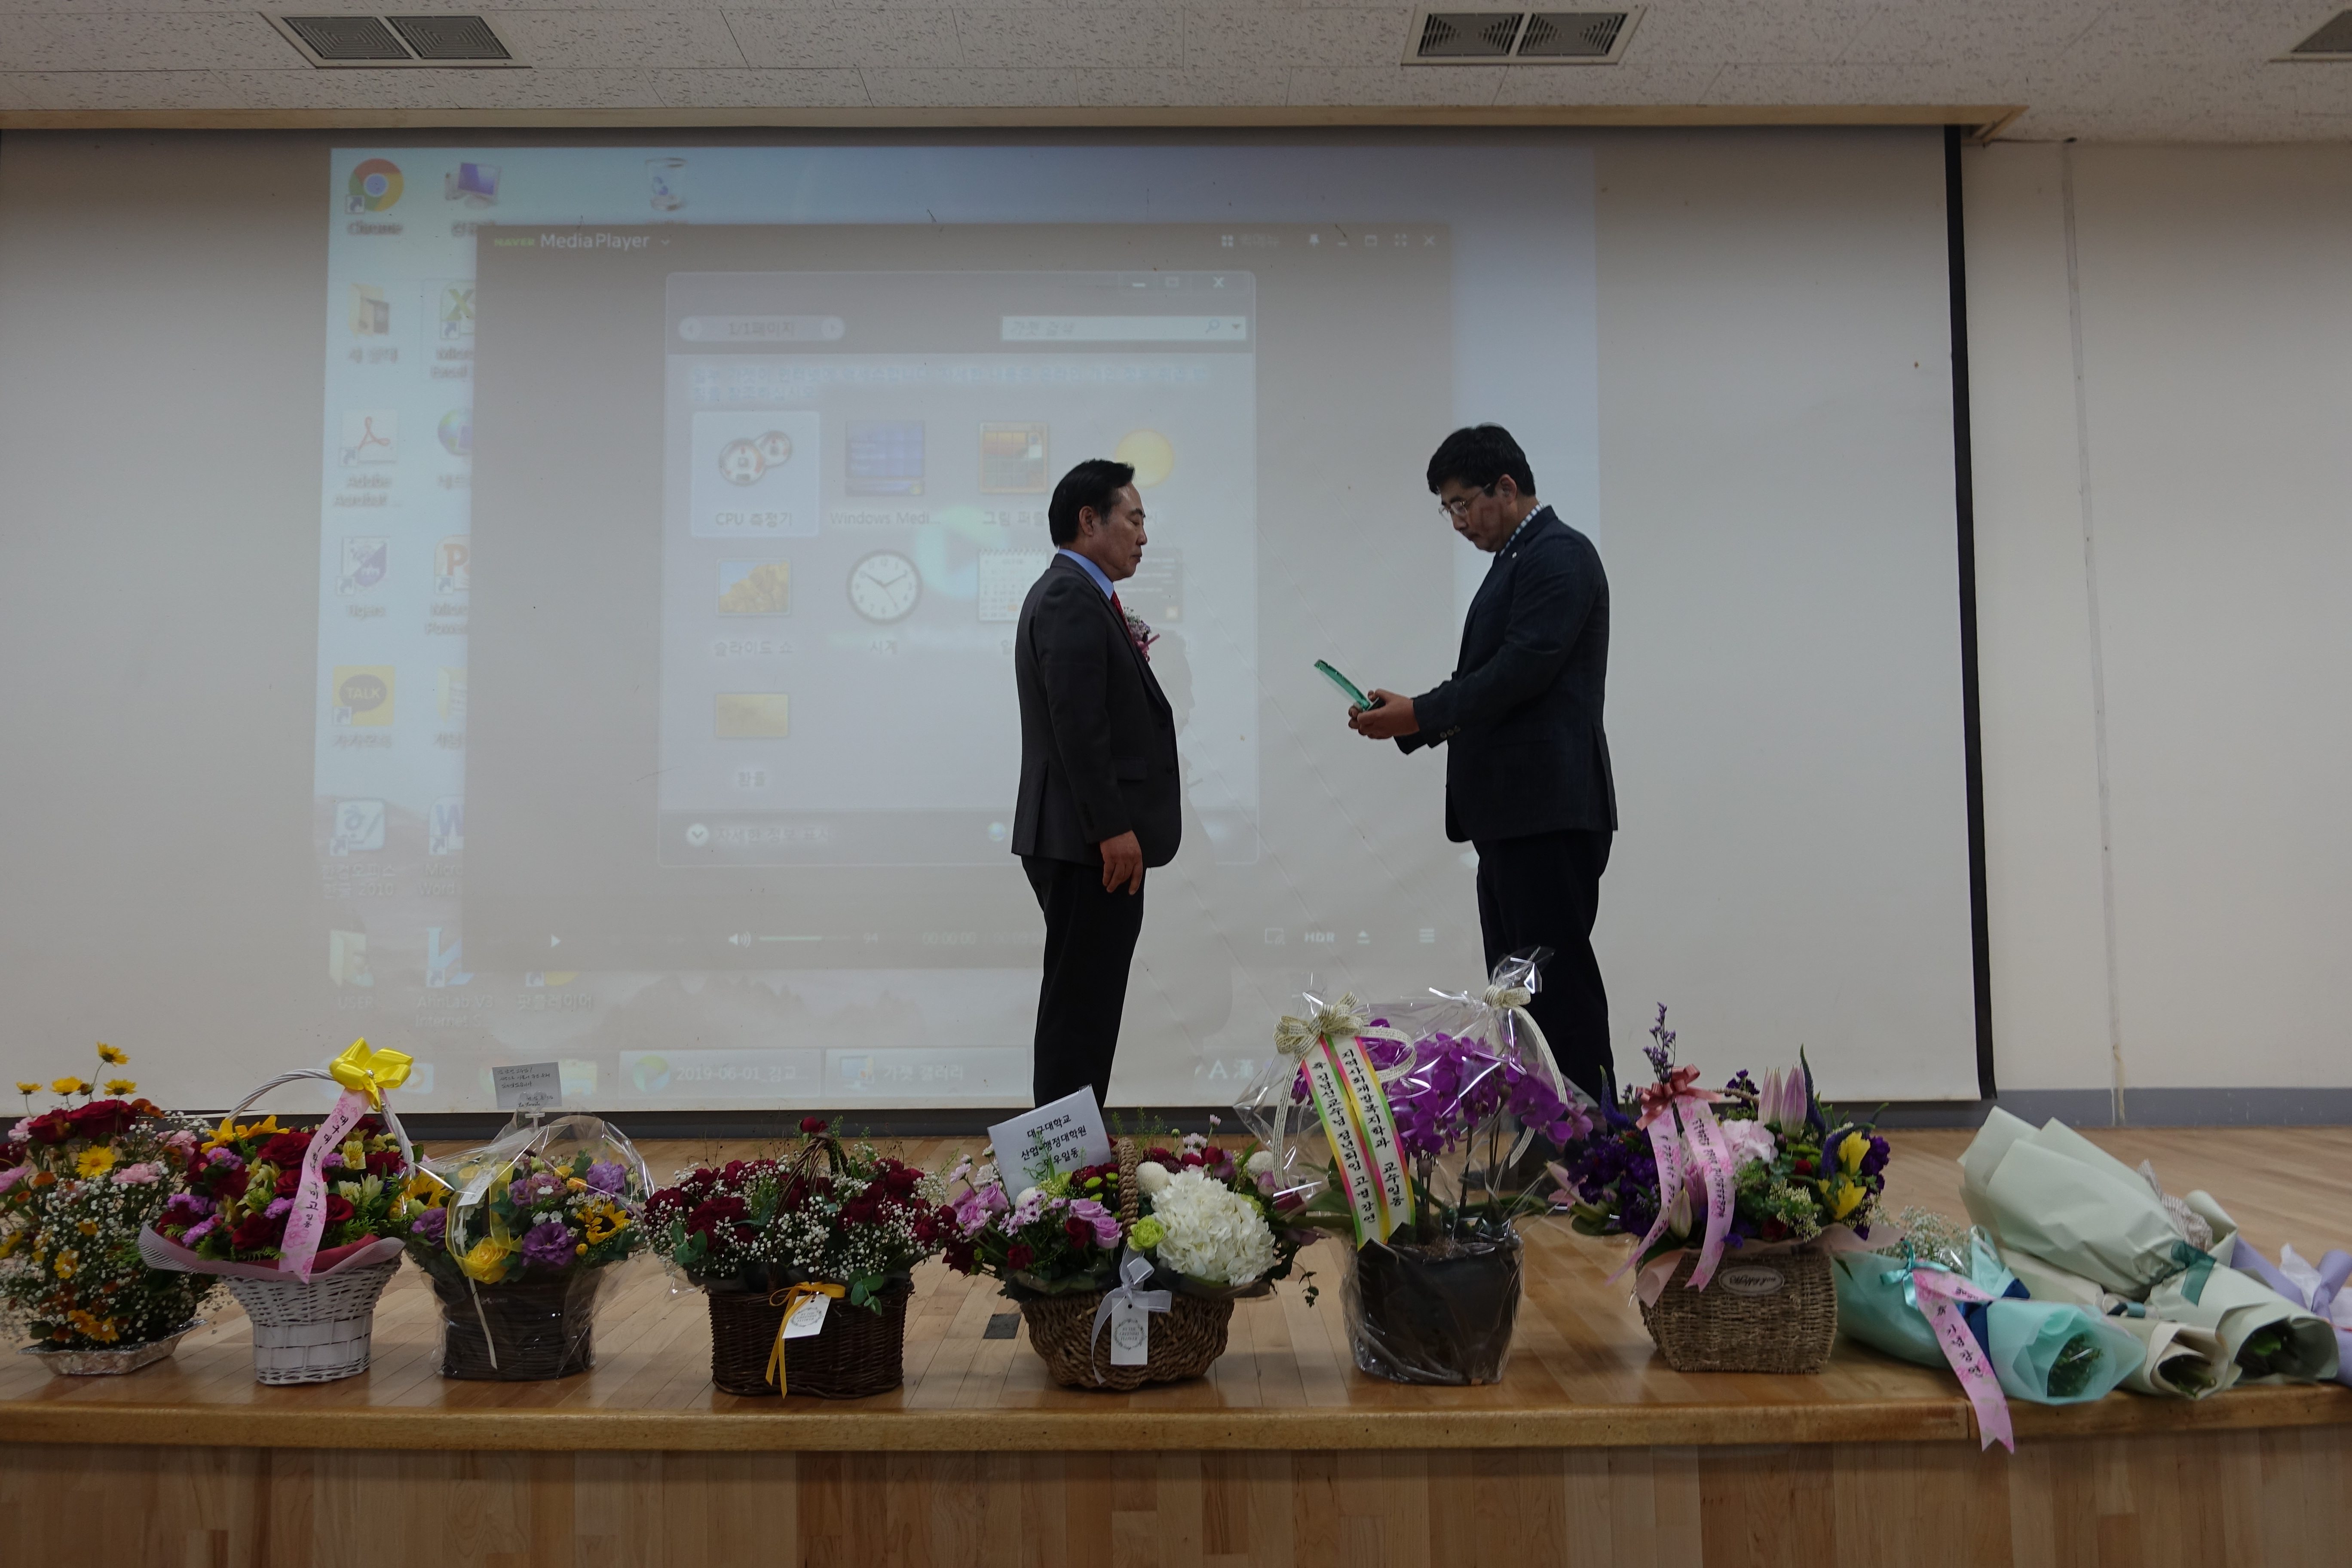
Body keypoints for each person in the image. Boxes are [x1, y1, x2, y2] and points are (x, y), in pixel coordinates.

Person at [1346, 425, 1617, 1103]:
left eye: (1463, 504)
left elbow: (1521, 671)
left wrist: (1420, 715)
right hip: (1514, 815)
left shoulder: (1559, 554)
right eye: (1448, 509)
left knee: (1556, 986)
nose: (1459, 522)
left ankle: (1592, 1138)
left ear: (1506, 487)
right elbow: (1490, 679)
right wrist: (1414, 714)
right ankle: (1545, 1126)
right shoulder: (1517, 559)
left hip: (1547, 811)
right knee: (1518, 992)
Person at [1012, 459, 1181, 1109]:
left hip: (1083, 839)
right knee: (1079, 1013)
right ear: (1090, 521)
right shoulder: (1069, 597)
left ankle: (1072, 1156)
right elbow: (1077, 724)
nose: (1143, 535)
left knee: (1087, 1006)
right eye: (1134, 519)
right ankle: (1060, 1165)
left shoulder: (1081, 595)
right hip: (1089, 843)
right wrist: (1112, 828)